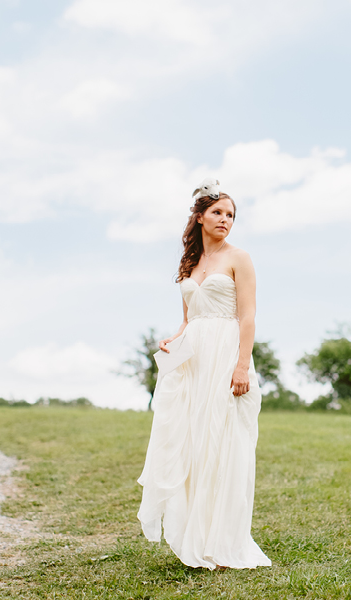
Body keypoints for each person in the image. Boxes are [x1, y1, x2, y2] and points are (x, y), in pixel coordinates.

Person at [136, 178, 272, 570]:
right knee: (194, 443)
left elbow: (247, 316)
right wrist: (173, 338)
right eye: (217, 212)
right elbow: (188, 318)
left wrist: (242, 364)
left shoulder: (239, 258)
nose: (225, 220)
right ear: (199, 217)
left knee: (224, 442)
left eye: (230, 215)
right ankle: (196, 534)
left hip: (225, 352)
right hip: (194, 359)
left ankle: (224, 542)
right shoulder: (192, 263)